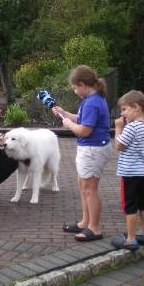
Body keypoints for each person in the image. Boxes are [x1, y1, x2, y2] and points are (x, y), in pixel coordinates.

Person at [52, 65, 111, 242]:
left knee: (90, 190)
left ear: (82, 84)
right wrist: (65, 114)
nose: (75, 90)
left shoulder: (92, 102)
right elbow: (82, 120)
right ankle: (85, 222)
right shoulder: (91, 99)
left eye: (75, 87)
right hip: (90, 149)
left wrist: (68, 125)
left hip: (92, 149)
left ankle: (95, 228)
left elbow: (84, 130)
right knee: (84, 187)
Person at [111, 90, 144, 251]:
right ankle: (143, 233)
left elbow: (119, 145)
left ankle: (130, 239)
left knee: (130, 206)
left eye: (124, 109)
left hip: (130, 174)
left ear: (136, 108)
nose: (122, 113)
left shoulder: (131, 128)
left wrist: (118, 128)